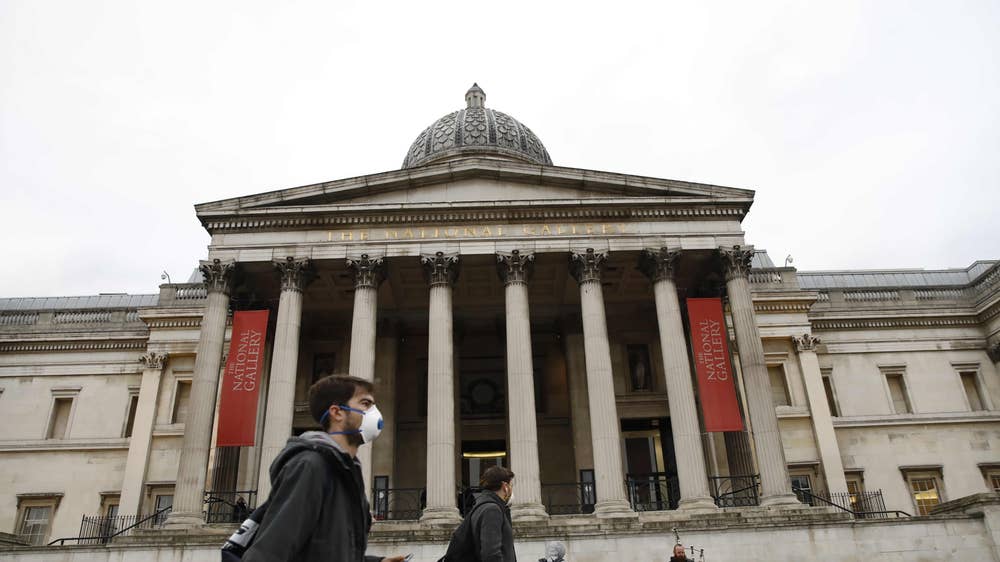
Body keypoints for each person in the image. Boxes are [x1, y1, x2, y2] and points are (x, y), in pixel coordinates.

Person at [242, 374, 406, 562]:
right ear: (337, 413)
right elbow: (269, 552)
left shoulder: (347, 471)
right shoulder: (311, 466)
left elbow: (325, 550)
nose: (375, 412)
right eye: (365, 404)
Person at [469, 466, 517, 562]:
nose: (512, 489)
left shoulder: (483, 506)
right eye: (511, 485)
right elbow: (491, 555)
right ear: (505, 486)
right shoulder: (492, 510)